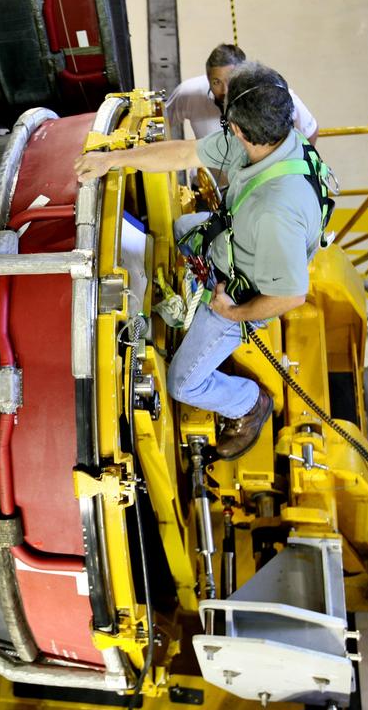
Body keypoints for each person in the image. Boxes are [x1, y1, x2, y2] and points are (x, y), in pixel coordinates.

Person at [75, 62, 332, 457]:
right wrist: (115, 160)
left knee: (184, 384)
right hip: (234, 238)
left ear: (241, 130)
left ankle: (249, 403)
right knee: (179, 233)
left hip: (242, 292)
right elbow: (184, 154)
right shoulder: (269, 141)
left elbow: (291, 296)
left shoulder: (275, 212)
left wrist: (233, 314)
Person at [165, 43, 318, 144]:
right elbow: (162, 121)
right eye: (216, 82)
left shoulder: (277, 96)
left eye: (230, 80)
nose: (225, 90)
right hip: (209, 186)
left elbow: (309, 130)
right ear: (207, 79)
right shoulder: (189, 92)